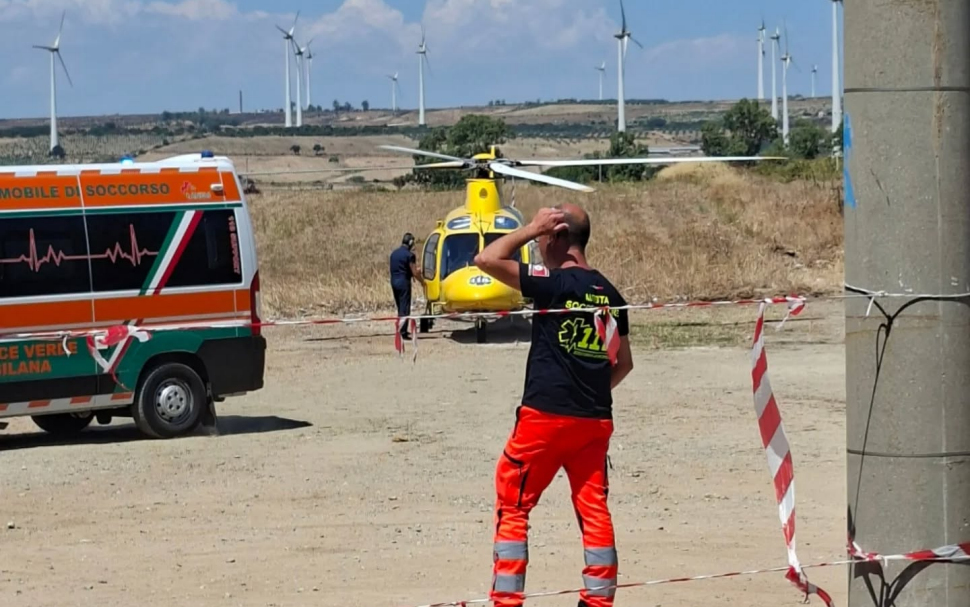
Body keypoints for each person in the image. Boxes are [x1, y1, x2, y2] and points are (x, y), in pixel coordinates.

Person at [473, 203, 634, 607]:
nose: (539, 244)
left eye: (544, 236)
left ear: (558, 238)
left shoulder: (552, 282)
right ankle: (598, 601)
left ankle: (506, 601)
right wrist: (590, 391)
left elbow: (486, 259)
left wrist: (528, 227)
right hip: (594, 421)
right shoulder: (611, 295)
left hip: (543, 419)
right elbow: (624, 363)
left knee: (514, 505)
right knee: (594, 510)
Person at [389, 232, 424, 339]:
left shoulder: (393, 254)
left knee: (400, 306)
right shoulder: (409, 255)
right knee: (405, 307)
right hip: (403, 282)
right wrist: (422, 281)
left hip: (394, 282)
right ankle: (402, 332)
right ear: (410, 242)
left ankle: (401, 328)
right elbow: (414, 272)